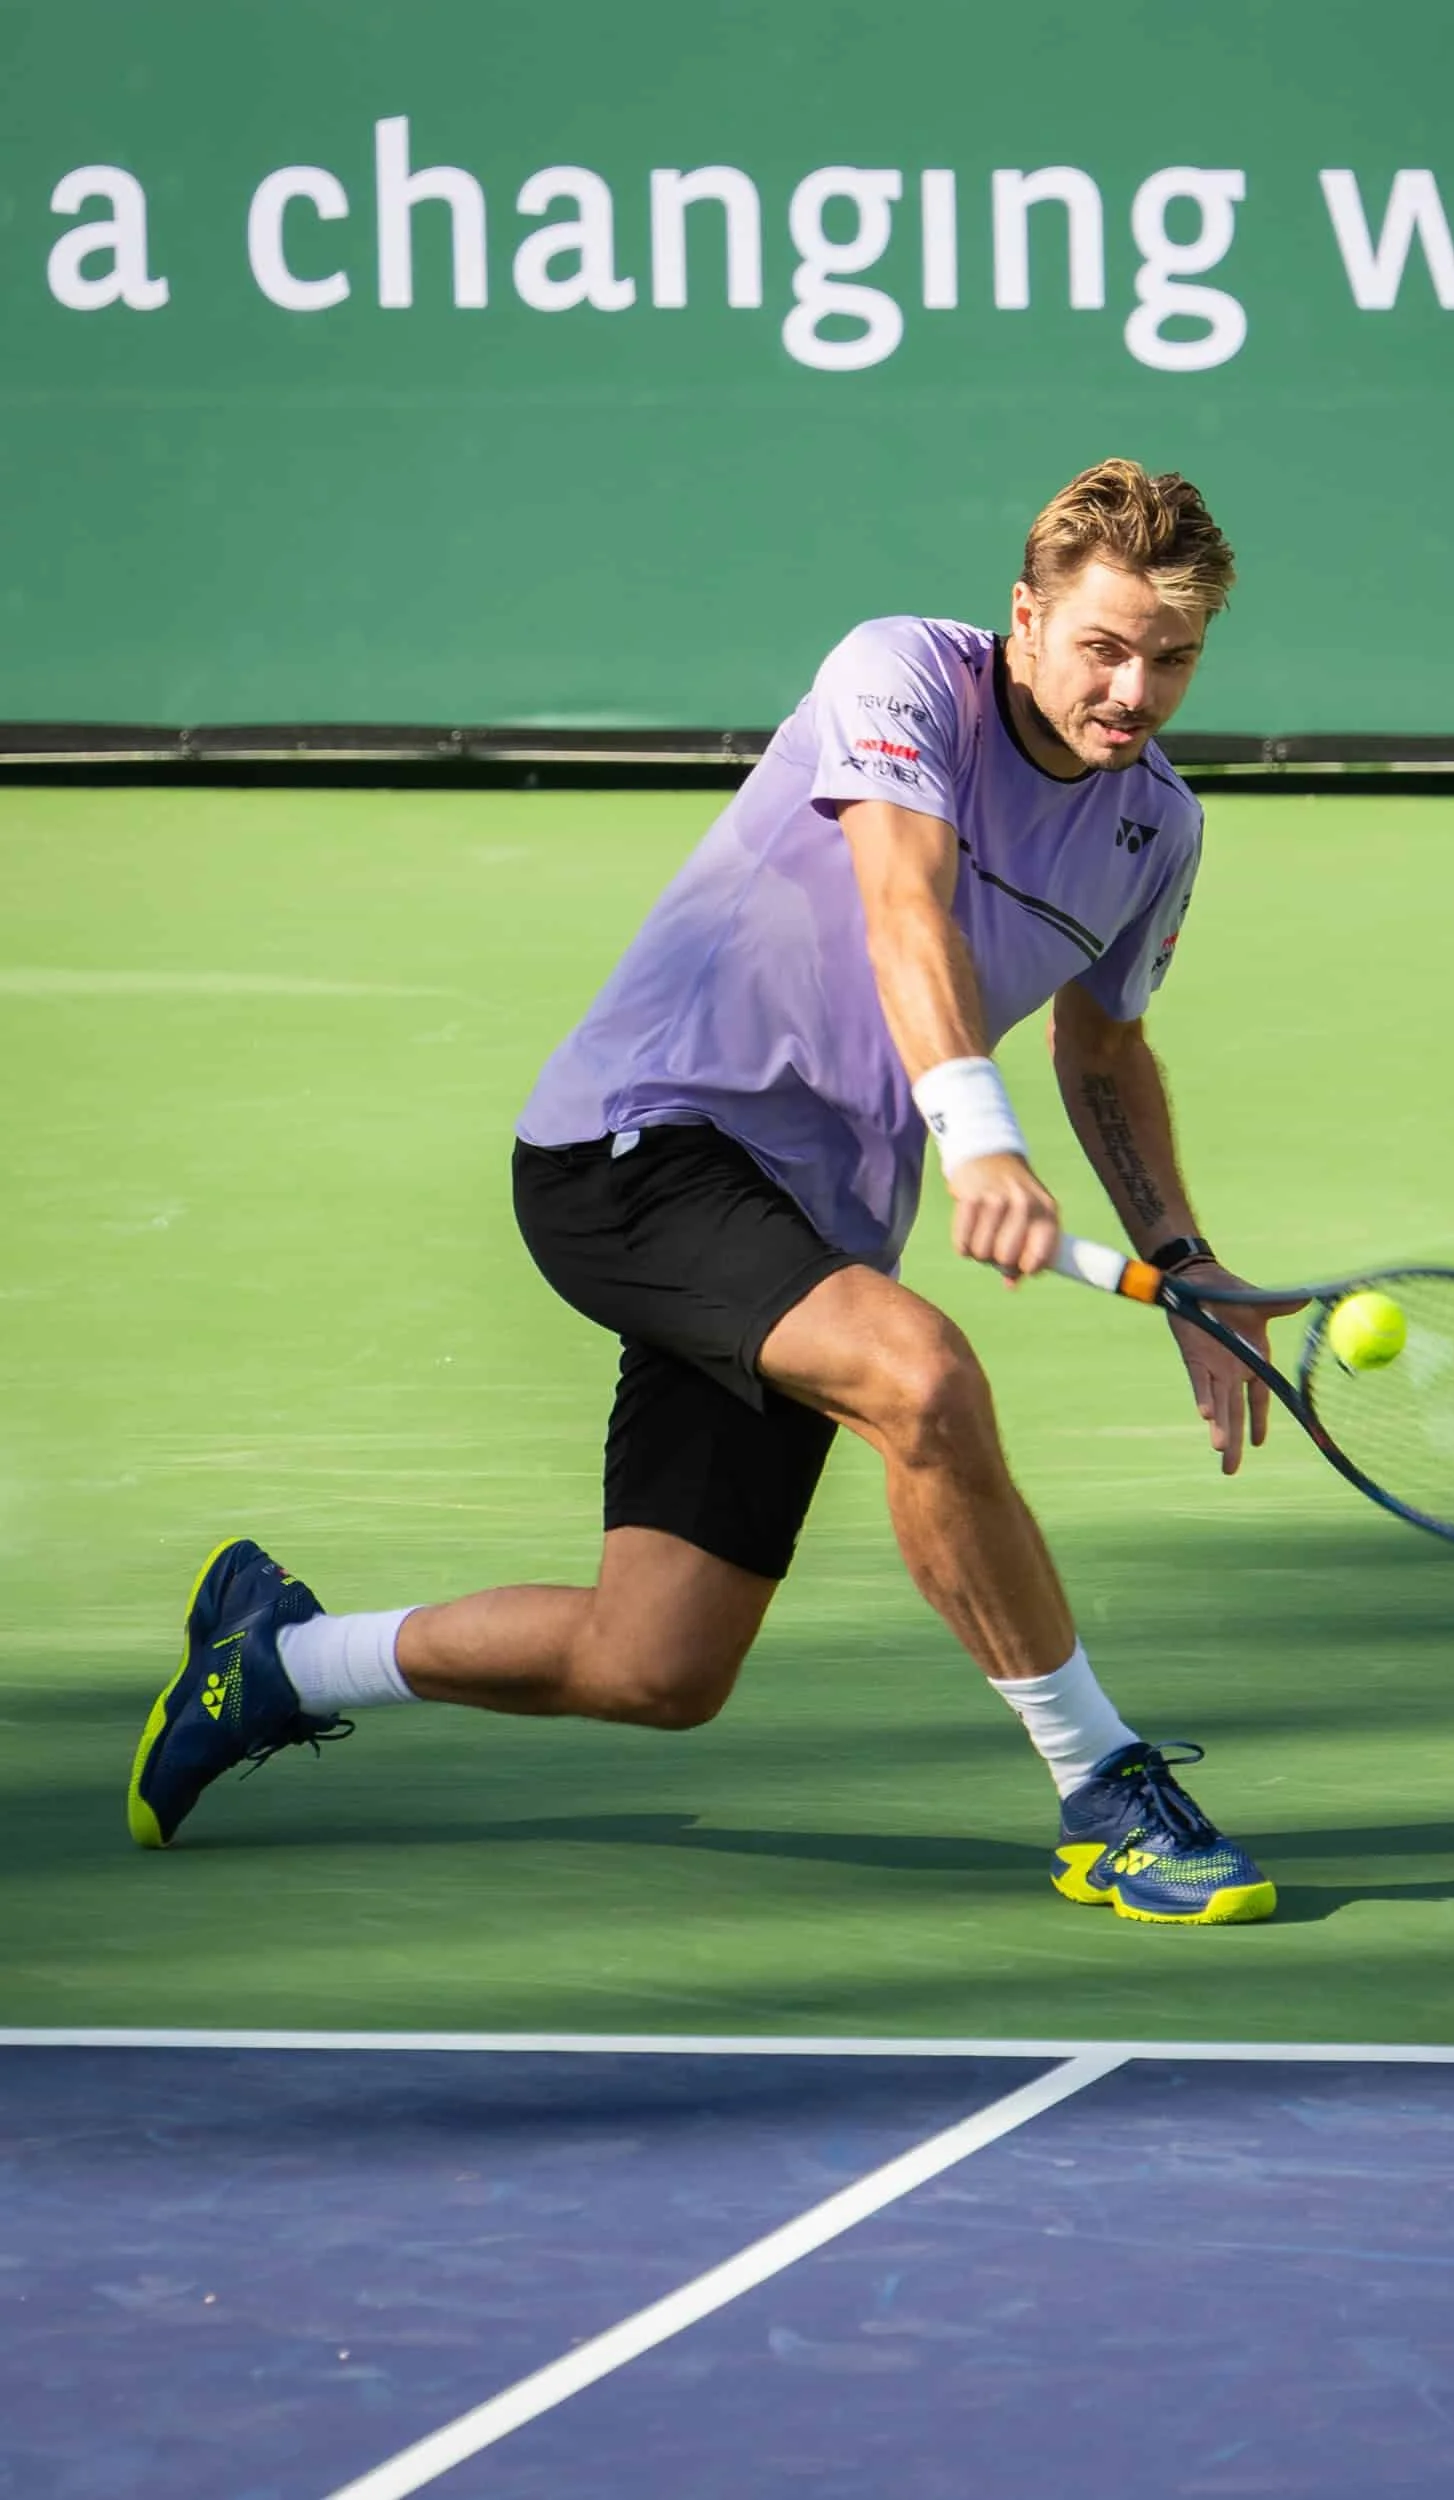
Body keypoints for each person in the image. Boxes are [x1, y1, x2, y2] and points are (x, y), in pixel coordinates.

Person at [127, 458, 1285, 1925]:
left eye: (1172, 660)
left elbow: (1102, 1043)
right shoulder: (902, 675)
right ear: (1027, 615)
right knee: (921, 1380)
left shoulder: (1156, 828)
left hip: (817, 1222)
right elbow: (902, 903)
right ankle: (1105, 1788)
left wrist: (1182, 1257)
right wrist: (977, 1135)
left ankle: (278, 1662)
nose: (1133, 691)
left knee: (657, 1664)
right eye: (1105, 648)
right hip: (641, 1144)